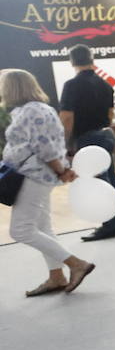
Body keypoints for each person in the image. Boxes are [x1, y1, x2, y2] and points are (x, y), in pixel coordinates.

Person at [1, 68, 96, 296]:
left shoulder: (33, 111)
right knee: (42, 227)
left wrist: (62, 170)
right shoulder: (28, 110)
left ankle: (76, 264)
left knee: (20, 230)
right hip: (31, 174)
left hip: (32, 175)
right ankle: (56, 276)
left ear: (14, 87)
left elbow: (46, 147)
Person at [58, 43, 115, 241]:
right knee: (111, 179)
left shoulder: (71, 85)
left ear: (72, 62)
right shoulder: (106, 84)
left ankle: (109, 226)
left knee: (99, 182)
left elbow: (67, 117)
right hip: (107, 134)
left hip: (87, 137)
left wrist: (65, 143)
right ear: (91, 59)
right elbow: (110, 114)